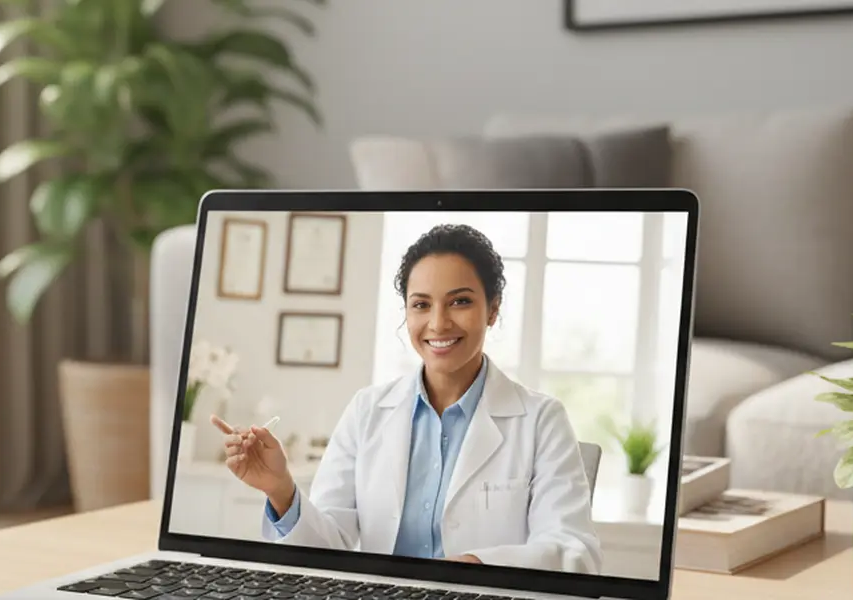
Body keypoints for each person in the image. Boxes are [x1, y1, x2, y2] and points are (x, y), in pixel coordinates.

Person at [210, 223, 602, 574]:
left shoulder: (541, 419)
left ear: (492, 309)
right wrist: (280, 489)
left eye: (460, 301)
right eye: (421, 305)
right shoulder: (367, 410)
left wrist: (479, 565)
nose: (438, 323)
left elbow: (574, 550)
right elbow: (330, 549)